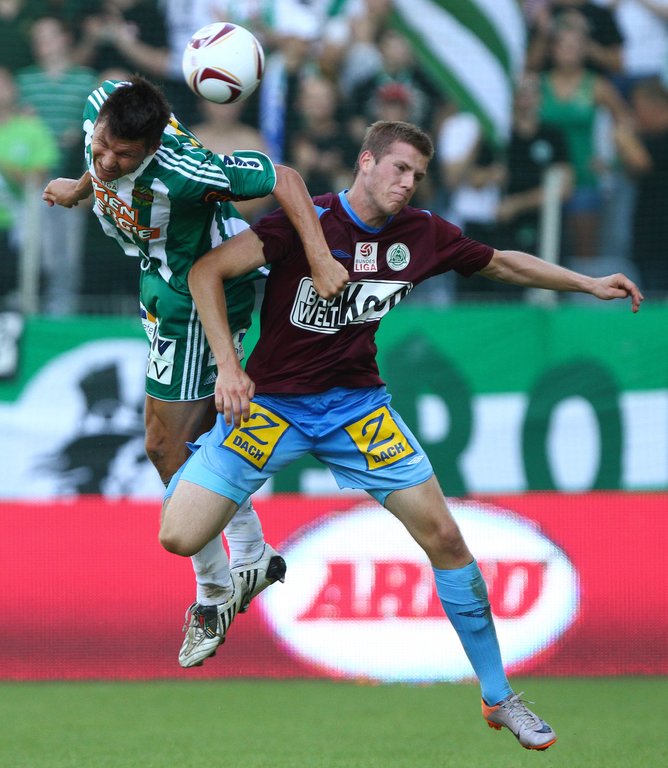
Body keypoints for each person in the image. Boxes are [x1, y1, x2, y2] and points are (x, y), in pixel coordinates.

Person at [162, 121, 642, 749]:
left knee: (446, 538)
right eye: (399, 168)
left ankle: (499, 697)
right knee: (178, 535)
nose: (409, 182)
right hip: (273, 408)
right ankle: (245, 569)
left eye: (417, 174)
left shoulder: (422, 233)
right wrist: (229, 367)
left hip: (358, 411)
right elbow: (205, 272)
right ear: (365, 162)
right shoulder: (308, 220)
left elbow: (501, 263)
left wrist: (586, 283)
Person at [42, 75, 349, 666]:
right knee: (183, 441)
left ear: (152, 146)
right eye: (101, 145)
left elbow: (285, 179)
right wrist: (81, 188)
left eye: (123, 155)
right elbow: (100, 162)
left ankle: (213, 591)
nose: (107, 159)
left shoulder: (189, 171)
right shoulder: (103, 102)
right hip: (158, 283)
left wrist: (318, 257)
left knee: (165, 448)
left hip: (198, 295)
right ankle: (251, 555)